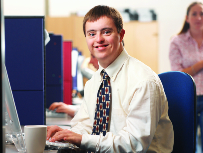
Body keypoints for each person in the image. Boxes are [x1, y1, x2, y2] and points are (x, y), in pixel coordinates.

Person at [47, 5, 174, 152]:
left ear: (121, 35)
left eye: (106, 32)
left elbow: (133, 144)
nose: (99, 39)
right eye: (92, 34)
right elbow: (85, 125)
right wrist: (65, 135)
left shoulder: (143, 81)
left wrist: (82, 139)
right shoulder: (94, 82)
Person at [169, 1, 203, 152]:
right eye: (194, 14)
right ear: (187, 18)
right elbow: (178, 75)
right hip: (188, 99)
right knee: (187, 143)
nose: (199, 18)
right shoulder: (177, 41)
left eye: (202, 14)